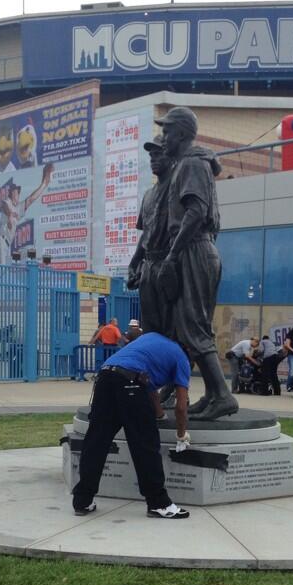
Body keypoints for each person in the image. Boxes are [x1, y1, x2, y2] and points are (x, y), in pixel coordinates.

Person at [155, 106, 237, 421]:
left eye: (166, 132)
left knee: (194, 325)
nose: (163, 138)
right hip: (196, 249)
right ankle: (215, 394)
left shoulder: (190, 163)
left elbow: (195, 212)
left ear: (182, 134)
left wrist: (173, 255)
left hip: (194, 249)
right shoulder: (190, 163)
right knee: (190, 327)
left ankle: (222, 395)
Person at [72, 332, 191, 520]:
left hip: (105, 377)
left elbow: (150, 391)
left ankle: (82, 500)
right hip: (130, 383)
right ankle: (159, 503)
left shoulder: (151, 340)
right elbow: (182, 406)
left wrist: (159, 415)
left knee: (96, 442)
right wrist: (181, 435)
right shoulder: (182, 358)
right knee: (145, 444)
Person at [127, 136, 174, 338]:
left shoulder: (178, 188)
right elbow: (146, 234)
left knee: (173, 327)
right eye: (151, 155)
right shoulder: (148, 195)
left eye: (159, 154)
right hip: (149, 267)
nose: (154, 159)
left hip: (170, 265)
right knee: (150, 327)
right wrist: (134, 263)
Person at [0, 165, 53, 265]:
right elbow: (4, 207)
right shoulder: (7, 202)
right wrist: (10, 214)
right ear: (11, 194)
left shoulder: (19, 207)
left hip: (6, 244)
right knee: (1, 267)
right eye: (15, 192)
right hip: (1, 240)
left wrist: (43, 184)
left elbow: (31, 199)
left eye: (18, 193)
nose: (17, 195)